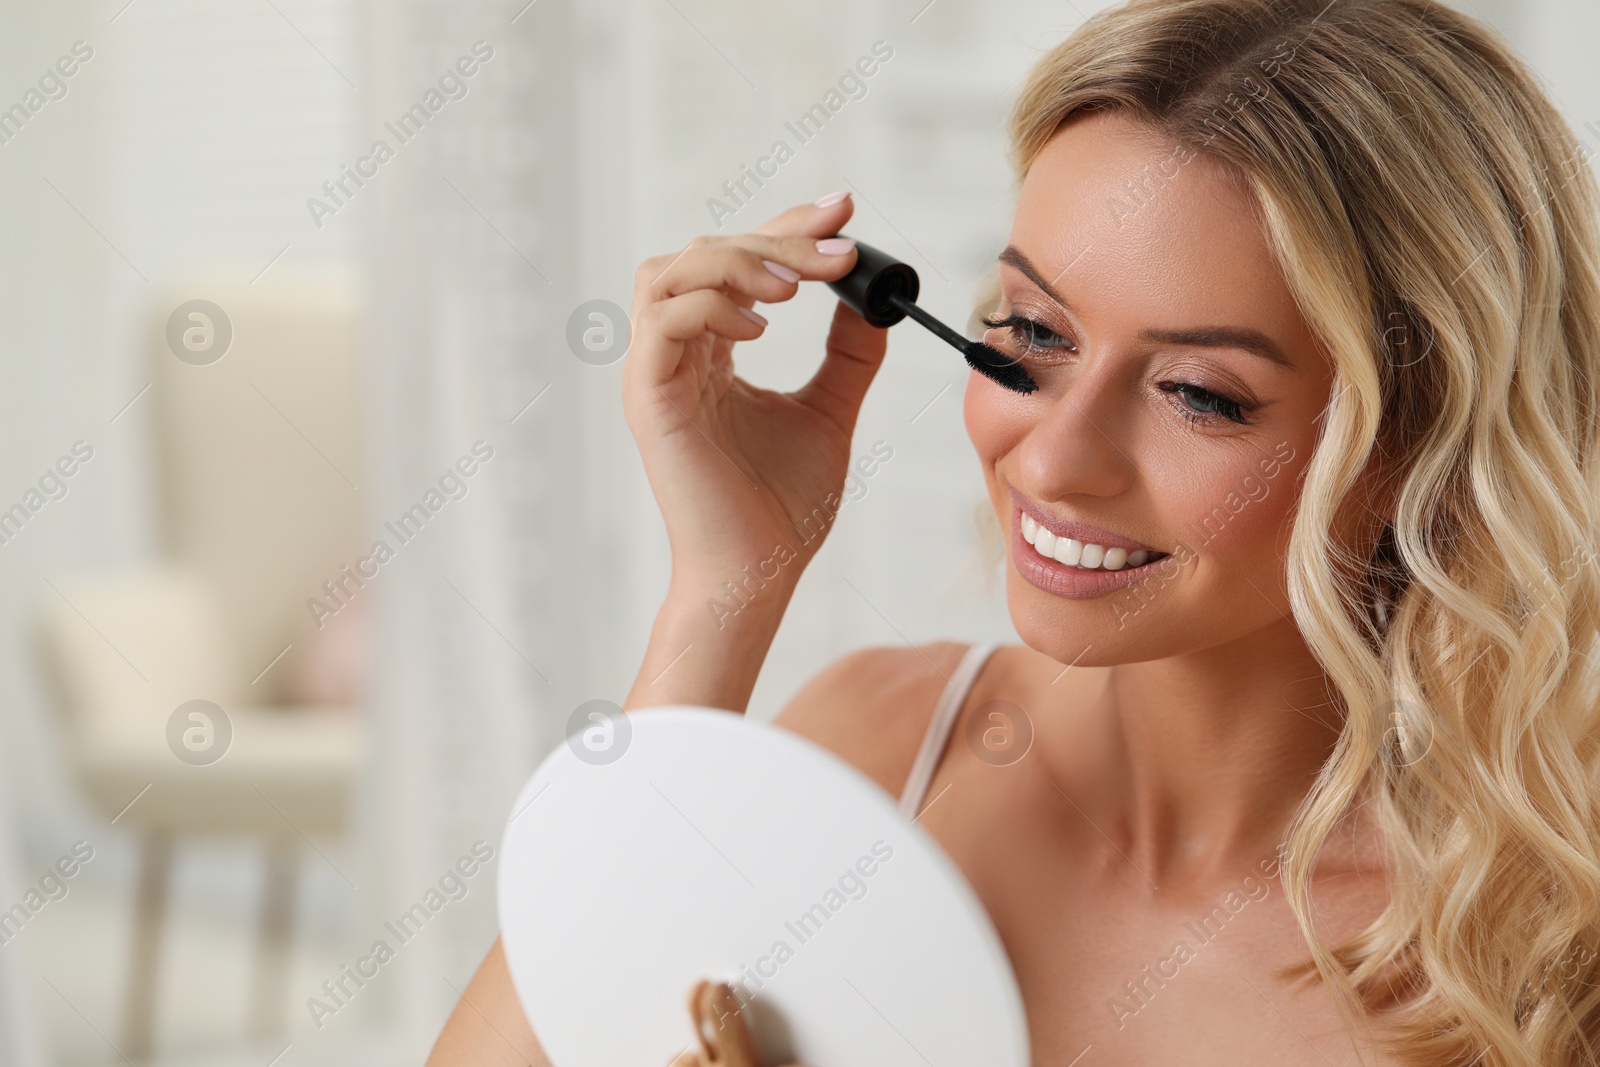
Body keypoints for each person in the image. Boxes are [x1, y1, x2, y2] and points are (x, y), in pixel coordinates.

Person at [428, 0, 1600, 1063]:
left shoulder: (1538, 950)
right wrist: (725, 592)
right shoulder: (876, 753)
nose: (1051, 456)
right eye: (1033, 332)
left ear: (1422, 443)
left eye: (1199, 393)